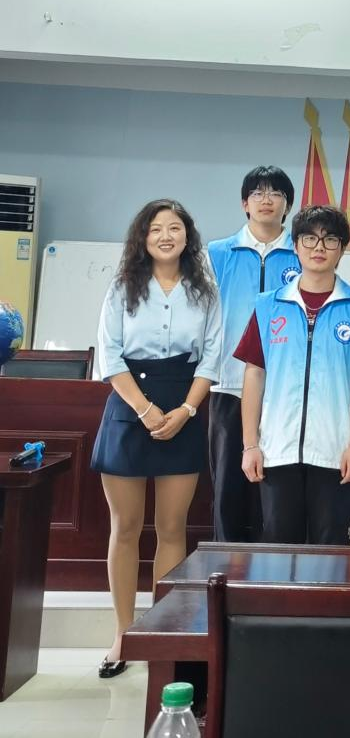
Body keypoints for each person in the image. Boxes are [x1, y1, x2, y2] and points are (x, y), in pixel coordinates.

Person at [93, 199, 222, 677]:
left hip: (183, 405)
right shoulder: (122, 286)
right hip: (129, 405)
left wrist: (187, 410)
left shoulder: (204, 291)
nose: (166, 236)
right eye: (155, 229)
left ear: (188, 236)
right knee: (125, 527)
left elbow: (212, 356)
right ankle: (123, 635)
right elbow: (109, 355)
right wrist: (145, 409)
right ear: (142, 238)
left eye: (174, 228)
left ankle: (161, 633)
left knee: (172, 528)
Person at [236, 205, 350, 545]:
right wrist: (250, 444)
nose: (319, 247)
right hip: (277, 450)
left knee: (330, 551)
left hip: (336, 452)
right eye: (309, 238)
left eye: (329, 239)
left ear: (342, 249)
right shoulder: (268, 305)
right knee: (278, 547)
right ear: (295, 245)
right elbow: (254, 373)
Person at [205, 166, 299, 543]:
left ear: (287, 204)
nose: (266, 200)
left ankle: (271, 570)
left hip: (283, 391)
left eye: (275, 193)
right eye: (257, 193)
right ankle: (225, 569)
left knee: (276, 493)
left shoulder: (301, 253)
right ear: (245, 203)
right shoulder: (217, 253)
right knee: (227, 489)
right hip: (228, 384)